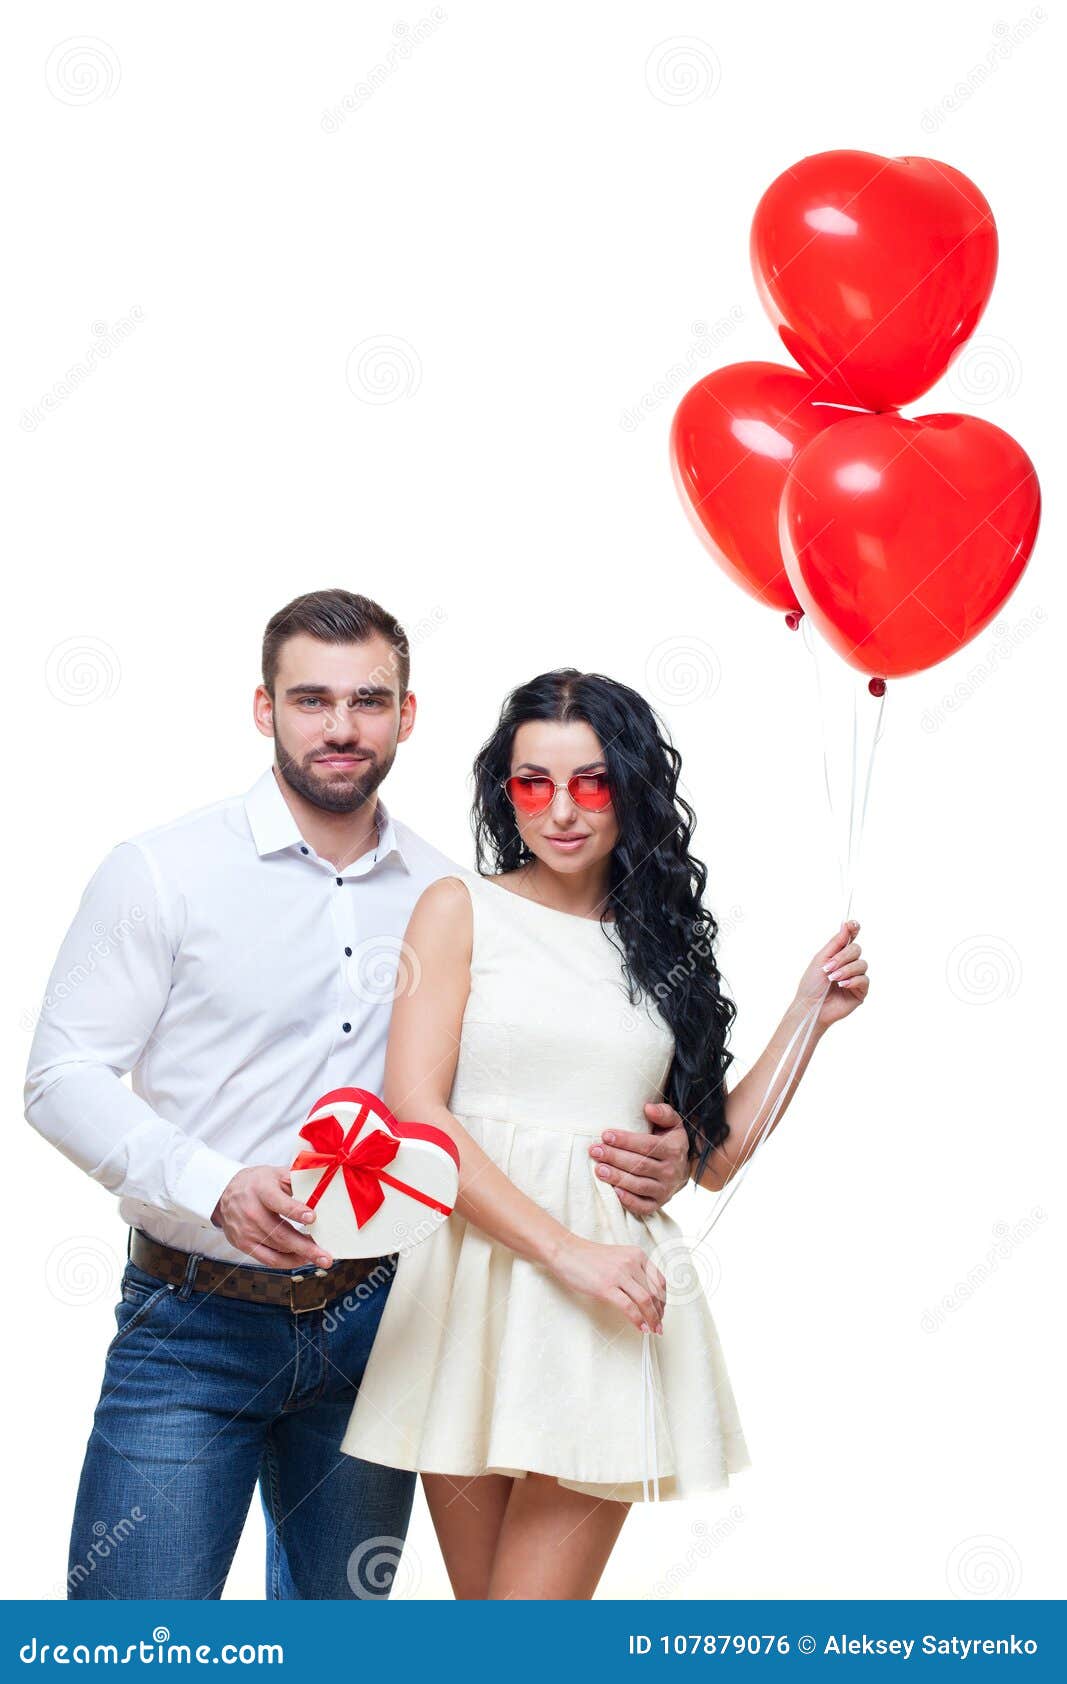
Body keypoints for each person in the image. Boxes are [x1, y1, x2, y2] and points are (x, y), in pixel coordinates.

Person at [24, 590, 693, 1600]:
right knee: (132, 1642)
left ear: (406, 715)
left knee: (340, 1647)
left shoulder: (452, 896)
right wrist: (215, 1183)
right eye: (310, 700)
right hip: (190, 1322)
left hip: (378, 1323)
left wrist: (673, 1144)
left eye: (367, 701)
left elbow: (511, 1089)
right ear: (264, 709)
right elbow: (59, 1075)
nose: (339, 728)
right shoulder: (163, 871)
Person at [341, 667, 869, 1599]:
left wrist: (807, 1016)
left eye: (590, 781)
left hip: (605, 1308)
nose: (562, 810)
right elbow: (415, 1113)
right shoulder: (457, 907)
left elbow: (713, 1158)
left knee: (526, 1639)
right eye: (532, 783)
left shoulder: (662, 945)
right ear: (505, 792)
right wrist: (563, 1250)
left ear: (629, 784)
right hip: (471, 1290)